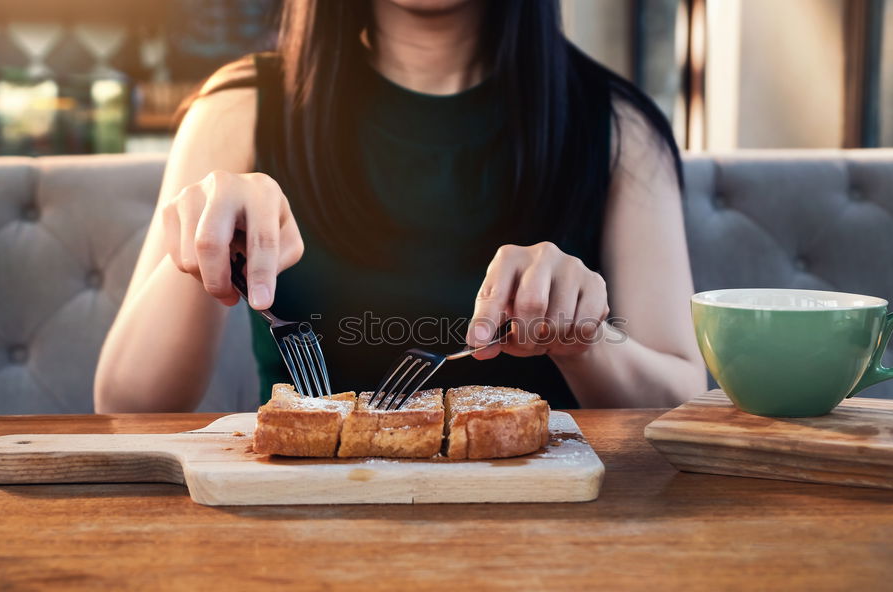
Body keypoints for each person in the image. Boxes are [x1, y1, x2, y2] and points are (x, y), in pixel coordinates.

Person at [94, 0, 705, 412]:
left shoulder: (618, 128)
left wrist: (585, 340)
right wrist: (197, 251)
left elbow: (679, 397)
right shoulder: (237, 111)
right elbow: (125, 404)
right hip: (295, 532)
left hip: (549, 538)